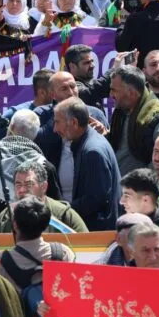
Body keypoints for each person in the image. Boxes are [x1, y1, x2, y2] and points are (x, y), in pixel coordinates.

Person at [51, 97, 119, 230]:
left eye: (57, 122)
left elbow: (95, 199)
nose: (54, 129)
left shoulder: (92, 151)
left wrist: (62, 211)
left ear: (74, 122)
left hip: (99, 234)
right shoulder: (86, 143)